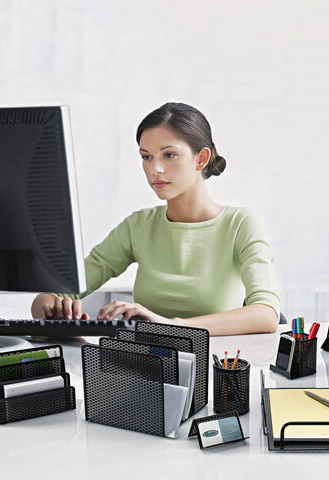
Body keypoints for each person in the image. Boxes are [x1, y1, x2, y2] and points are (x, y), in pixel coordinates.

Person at [30, 102, 280, 335]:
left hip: (217, 368)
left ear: (201, 158)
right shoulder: (138, 226)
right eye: (146, 156)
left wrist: (169, 325)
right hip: (148, 366)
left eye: (169, 155)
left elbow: (267, 314)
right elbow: (46, 298)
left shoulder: (240, 225)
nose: (154, 169)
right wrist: (55, 311)